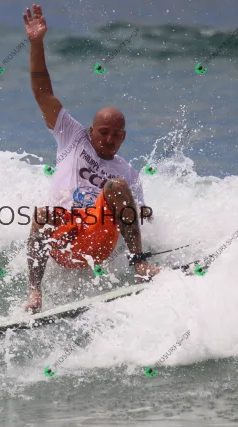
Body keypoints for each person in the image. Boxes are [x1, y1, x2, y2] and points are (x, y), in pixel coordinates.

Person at [23, 4, 161, 314]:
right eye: (103, 132)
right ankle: (34, 292)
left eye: (116, 134)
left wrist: (147, 218)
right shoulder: (72, 137)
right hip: (64, 240)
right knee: (43, 213)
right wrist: (36, 43)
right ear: (90, 131)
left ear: (123, 137)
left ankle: (140, 265)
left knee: (116, 186)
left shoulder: (127, 173)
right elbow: (43, 93)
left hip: (99, 240)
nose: (109, 140)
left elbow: (139, 217)